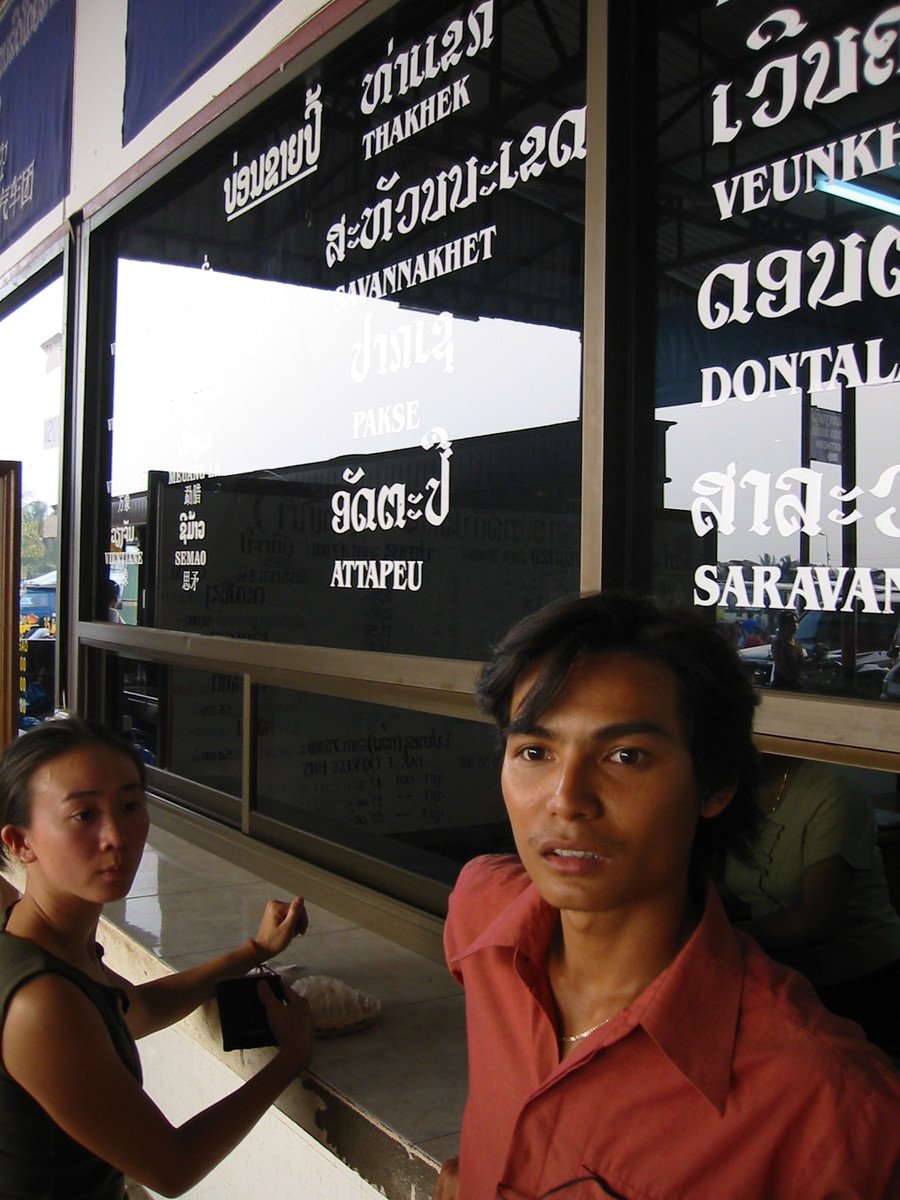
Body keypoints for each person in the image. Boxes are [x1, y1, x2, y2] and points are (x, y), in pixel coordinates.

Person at [437, 593, 900, 1200]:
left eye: (626, 756)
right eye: (535, 752)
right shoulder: (484, 912)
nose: (566, 798)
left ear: (714, 785)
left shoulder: (824, 1104)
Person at [0, 717, 313, 1199]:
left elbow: (137, 1010)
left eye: (129, 806)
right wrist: (291, 1057)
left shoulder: (46, 940)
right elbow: (172, 1167)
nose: (116, 836)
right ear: (20, 842)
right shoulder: (42, 1003)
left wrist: (254, 951)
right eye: (84, 815)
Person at [721, 755, 900, 1057]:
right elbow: (726, 889)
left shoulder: (834, 790)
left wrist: (726, 936)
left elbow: (819, 917)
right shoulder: (731, 794)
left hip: (863, 983)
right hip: (788, 982)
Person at [770, 607, 804, 689]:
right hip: (783, 686)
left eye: (796, 622)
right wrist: (794, 681)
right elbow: (781, 666)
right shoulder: (778, 643)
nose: (795, 625)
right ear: (784, 625)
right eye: (791, 623)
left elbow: (799, 664)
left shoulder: (797, 643)